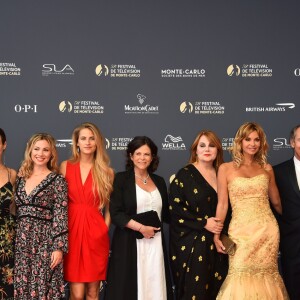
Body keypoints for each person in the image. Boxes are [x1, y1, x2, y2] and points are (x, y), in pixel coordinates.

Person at [214, 122, 289, 299]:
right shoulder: (225, 169)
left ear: (262, 143)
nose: (252, 144)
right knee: (239, 273)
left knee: (267, 276)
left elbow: (277, 202)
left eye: (257, 139)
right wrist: (216, 235)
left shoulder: (267, 169)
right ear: (239, 141)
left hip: (266, 231)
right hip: (240, 232)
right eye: (248, 139)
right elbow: (222, 205)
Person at [105, 136, 173, 300]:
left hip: (155, 245)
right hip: (129, 242)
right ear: (131, 156)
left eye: (147, 154)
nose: (142, 158)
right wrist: (142, 228)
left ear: (152, 157)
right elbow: (116, 213)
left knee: (156, 284)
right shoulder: (121, 179)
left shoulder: (160, 181)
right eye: (138, 153)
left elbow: (167, 215)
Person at [169, 130, 229, 300]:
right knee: (197, 291)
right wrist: (203, 223)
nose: (207, 149)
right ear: (195, 150)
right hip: (194, 244)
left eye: (211, 145)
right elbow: (175, 209)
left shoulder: (223, 172)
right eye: (202, 145)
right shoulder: (185, 175)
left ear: (218, 149)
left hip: (220, 243)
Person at [60, 122, 114, 300]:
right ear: (76, 142)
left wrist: (103, 229)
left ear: (98, 142)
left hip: (95, 234)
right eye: (83, 138)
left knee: (92, 293)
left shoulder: (107, 171)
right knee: (76, 294)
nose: (88, 142)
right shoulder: (65, 166)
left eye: (92, 138)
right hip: (71, 232)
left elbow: (110, 208)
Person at [14, 133, 68, 299]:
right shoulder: (20, 178)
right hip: (22, 243)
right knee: (23, 286)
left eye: (46, 150)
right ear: (30, 151)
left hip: (45, 242)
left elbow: (61, 213)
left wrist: (58, 247)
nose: (40, 153)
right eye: (37, 149)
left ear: (52, 153)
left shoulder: (57, 180)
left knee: (44, 287)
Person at [274, 124, 300, 300]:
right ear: (292, 143)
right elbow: (273, 208)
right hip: (292, 246)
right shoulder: (278, 172)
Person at [0, 128, 17, 300]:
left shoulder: (13, 175)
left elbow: (17, 210)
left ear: (4, 145)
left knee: (6, 287)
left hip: (6, 241)